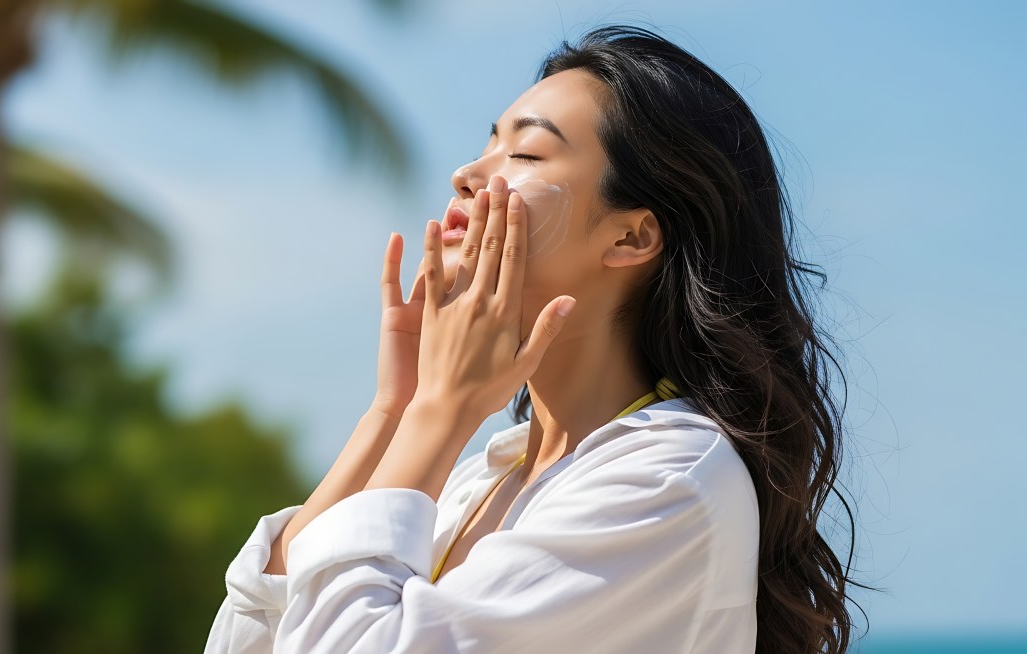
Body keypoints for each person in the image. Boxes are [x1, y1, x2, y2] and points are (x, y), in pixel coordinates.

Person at [204, 24, 866, 654]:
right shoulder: (484, 480)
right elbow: (251, 638)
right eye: (488, 142)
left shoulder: (665, 483)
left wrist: (440, 413)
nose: (467, 172)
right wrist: (396, 411)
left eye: (525, 152)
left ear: (630, 236)